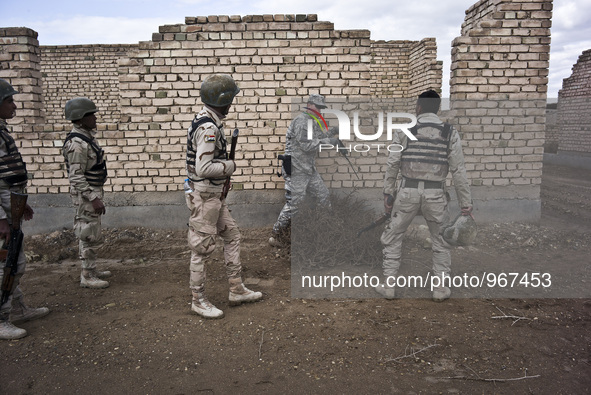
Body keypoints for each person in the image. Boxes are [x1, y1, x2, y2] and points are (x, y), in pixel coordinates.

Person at [376, 90, 473, 302]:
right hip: (436, 194)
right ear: (437, 109)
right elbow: (458, 170)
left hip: (407, 192)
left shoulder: (405, 130)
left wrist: (388, 193)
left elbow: (392, 164)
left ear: (418, 107)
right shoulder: (449, 132)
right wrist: (466, 205)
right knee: (441, 241)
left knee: (394, 237)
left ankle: (389, 287)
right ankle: (439, 289)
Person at [185, 74, 262, 319]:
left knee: (232, 235)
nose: (231, 104)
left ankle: (236, 288)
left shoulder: (208, 120)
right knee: (201, 249)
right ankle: (198, 300)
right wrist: (230, 167)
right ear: (222, 100)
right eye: (230, 99)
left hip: (214, 195)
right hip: (206, 197)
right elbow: (203, 168)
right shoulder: (208, 127)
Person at [0, 79, 49, 340]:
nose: (14, 105)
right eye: (9, 100)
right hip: (3, 216)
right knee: (7, 264)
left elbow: (5, 177)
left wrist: (20, 201)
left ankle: (16, 308)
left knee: (13, 262)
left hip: (12, 209)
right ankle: (2, 318)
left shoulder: (2, 132)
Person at [269, 94, 339, 246]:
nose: (319, 110)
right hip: (297, 169)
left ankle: (324, 230)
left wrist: (333, 132)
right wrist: (329, 141)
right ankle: (276, 235)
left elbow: (319, 138)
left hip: (308, 168)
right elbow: (307, 145)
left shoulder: (312, 122)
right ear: (309, 105)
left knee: (323, 196)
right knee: (294, 204)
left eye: (321, 108)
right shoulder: (302, 121)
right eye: (317, 107)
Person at [62, 97, 111, 289]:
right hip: (86, 195)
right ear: (80, 118)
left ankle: (91, 269)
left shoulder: (87, 138)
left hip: (92, 191)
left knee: (91, 231)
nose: (95, 118)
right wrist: (93, 197)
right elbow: (75, 176)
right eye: (91, 115)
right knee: (87, 232)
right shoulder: (77, 144)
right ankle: (87, 275)